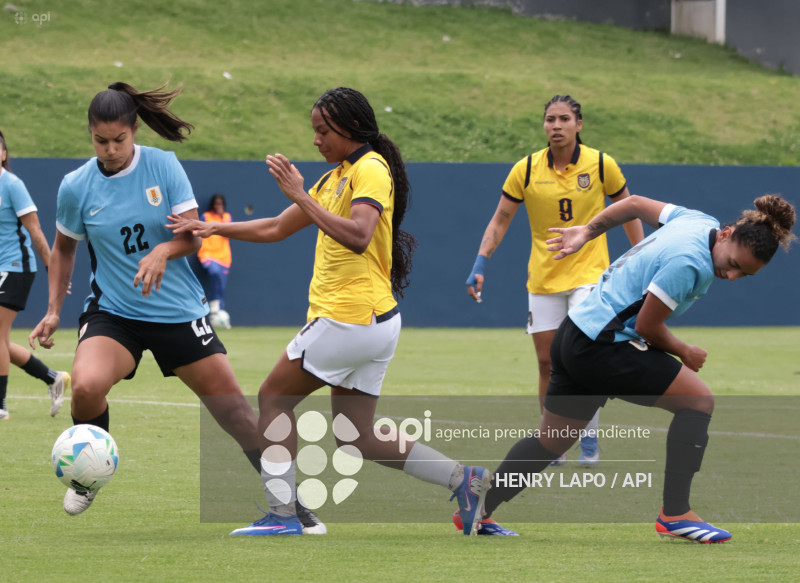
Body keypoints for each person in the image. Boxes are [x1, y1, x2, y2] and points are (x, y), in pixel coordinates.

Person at [168, 87, 515, 536]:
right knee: (358, 437)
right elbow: (276, 226)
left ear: (350, 128)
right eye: (314, 130)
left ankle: (282, 515)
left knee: (273, 398)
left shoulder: (370, 169)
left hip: (348, 318)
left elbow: (358, 235)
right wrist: (209, 226)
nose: (315, 140)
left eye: (322, 130)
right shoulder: (336, 177)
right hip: (373, 322)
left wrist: (300, 194)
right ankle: (463, 480)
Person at [27, 82, 325, 534]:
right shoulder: (76, 186)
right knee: (86, 387)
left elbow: (192, 235)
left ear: (134, 131)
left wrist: (163, 250)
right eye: (100, 140)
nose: (110, 150)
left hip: (178, 314)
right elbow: (65, 250)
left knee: (236, 414)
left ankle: (291, 507)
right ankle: (88, 477)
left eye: (119, 140)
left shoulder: (163, 167)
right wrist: (53, 309)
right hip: (114, 314)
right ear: (90, 134)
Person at [481, 193, 795, 542]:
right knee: (698, 401)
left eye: (744, 274)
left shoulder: (696, 220)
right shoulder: (690, 263)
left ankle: (478, 507)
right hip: (602, 346)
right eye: (734, 263)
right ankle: (675, 513)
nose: (732, 275)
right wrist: (684, 351)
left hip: (576, 332)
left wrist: (587, 231)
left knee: (551, 441)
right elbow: (647, 327)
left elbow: (635, 204)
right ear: (725, 233)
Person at [465, 95, 644, 475]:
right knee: (547, 363)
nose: (556, 125)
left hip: (590, 276)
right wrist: (481, 262)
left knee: (583, 359)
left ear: (579, 124)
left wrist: (640, 257)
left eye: (564, 119)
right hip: (543, 279)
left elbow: (629, 209)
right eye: (550, 119)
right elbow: (500, 220)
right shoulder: (525, 169)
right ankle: (553, 443)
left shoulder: (600, 164)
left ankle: (589, 438)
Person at [0, 129, 70, 420]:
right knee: (1, 340)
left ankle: (0, 405)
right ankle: (52, 377)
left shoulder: (12, 184)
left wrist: (52, 269)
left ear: (4, 154)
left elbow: (36, 230)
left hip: (15, 266)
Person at [198, 193, 232, 329]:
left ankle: (219, 314)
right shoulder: (206, 216)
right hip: (207, 254)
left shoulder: (227, 217)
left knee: (221, 287)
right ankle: (214, 305)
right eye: (217, 204)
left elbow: (227, 233)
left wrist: (222, 217)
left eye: (221, 204)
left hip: (224, 257)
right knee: (214, 272)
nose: (219, 206)